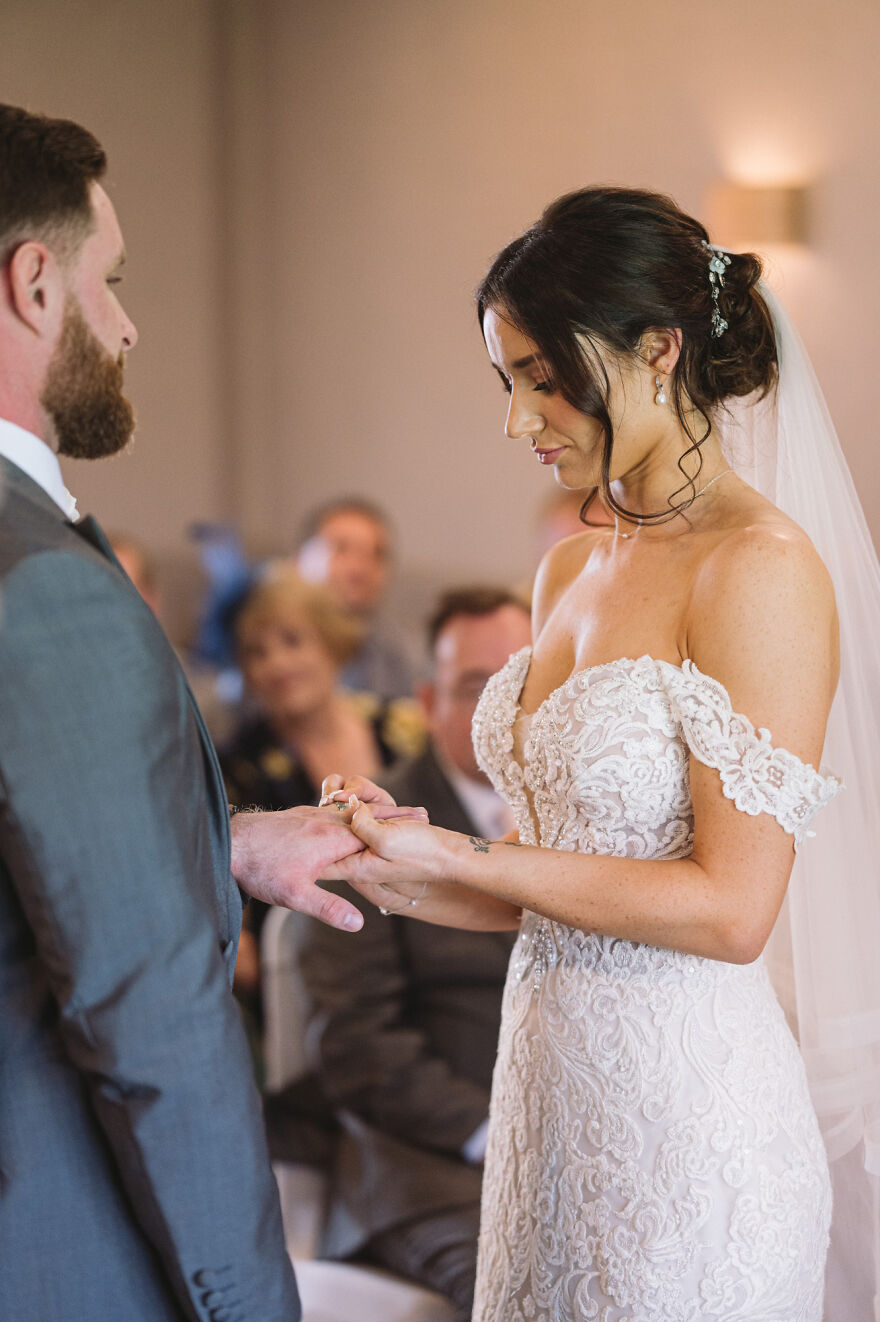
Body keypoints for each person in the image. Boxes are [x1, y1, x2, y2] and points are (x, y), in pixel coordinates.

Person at [321, 187, 880, 1320]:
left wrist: (467, 857)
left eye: (541, 375)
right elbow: (566, 878)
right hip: (547, 1111)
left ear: (658, 348)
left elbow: (731, 909)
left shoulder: (760, 569)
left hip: (688, 1136)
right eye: (506, 380)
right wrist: (401, 869)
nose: (520, 419)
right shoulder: (567, 570)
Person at [0, 103, 421, 1322]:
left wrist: (219, 839)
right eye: (110, 281)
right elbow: (147, 1012)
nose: (125, 324)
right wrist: (246, 1299)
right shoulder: (43, 584)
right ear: (34, 284)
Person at [291, 586, 530, 1320]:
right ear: (426, 702)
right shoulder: (377, 834)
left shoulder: (576, 818)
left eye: (519, 682)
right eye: (472, 686)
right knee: (525, 1293)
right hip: (430, 1164)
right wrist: (494, 1133)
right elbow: (357, 1042)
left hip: (569, 1142)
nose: (501, 707)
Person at [220, 569, 423, 1037]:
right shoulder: (237, 764)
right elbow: (237, 924)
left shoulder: (402, 728)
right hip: (306, 973)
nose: (276, 664)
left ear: (332, 644)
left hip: (422, 938)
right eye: (257, 652)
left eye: (292, 641)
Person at [296, 497, 415, 699]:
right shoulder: (265, 648)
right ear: (299, 559)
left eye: (376, 554)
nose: (359, 569)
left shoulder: (402, 659)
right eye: (341, 548)